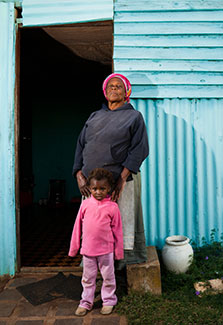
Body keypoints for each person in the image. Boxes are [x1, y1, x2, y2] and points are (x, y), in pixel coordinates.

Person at [72, 73, 149, 270]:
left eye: (118, 86)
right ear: (105, 92)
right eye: (110, 86)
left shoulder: (134, 116)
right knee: (94, 225)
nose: (114, 89)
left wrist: (122, 179)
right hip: (92, 185)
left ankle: (121, 266)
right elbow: (81, 145)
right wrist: (79, 175)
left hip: (117, 182)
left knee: (120, 222)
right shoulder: (95, 116)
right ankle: (93, 265)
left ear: (126, 92)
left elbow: (139, 148)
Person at [68, 168, 124, 316]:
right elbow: (77, 228)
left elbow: (118, 231)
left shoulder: (113, 207)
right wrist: (74, 248)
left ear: (109, 188)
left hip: (106, 251)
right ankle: (86, 302)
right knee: (87, 278)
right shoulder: (85, 205)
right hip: (88, 251)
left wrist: (118, 252)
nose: (98, 192)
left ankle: (109, 301)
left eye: (102, 188)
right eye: (94, 188)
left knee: (108, 277)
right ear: (89, 188)